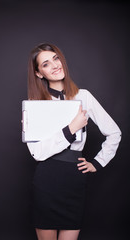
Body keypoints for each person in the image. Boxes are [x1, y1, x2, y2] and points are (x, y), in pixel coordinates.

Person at [26, 43, 121, 240]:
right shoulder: (35, 106)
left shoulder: (83, 96)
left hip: (74, 180)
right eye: (46, 64)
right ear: (39, 73)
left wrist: (97, 162)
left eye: (56, 58)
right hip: (47, 180)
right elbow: (37, 152)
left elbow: (114, 133)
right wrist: (71, 128)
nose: (54, 65)